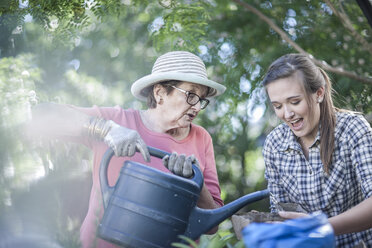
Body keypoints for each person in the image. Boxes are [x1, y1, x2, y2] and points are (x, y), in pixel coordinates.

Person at [28, 51, 226, 248]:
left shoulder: (201, 139)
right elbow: (41, 116)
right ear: (159, 93)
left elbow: (212, 225)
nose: (197, 107)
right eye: (191, 95)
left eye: (202, 99)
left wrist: (195, 182)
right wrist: (104, 129)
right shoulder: (118, 121)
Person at [261, 53, 372, 247]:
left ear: (319, 93)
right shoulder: (274, 145)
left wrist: (321, 226)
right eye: (278, 106)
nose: (287, 114)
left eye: (295, 102)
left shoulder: (352, 129)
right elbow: (282, 213)